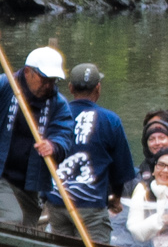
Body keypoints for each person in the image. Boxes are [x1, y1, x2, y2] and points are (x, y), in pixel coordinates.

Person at [0, 27, 77, 227]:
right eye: (44, 79)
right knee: (11, 220)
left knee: (27, 230)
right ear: (28, 72)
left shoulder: (58, 103)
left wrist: (53, 146)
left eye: (53, 81)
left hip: (30, 180)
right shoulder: (5, 85)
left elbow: (64, 136)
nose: (49, 85)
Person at [54, 62, 138, 237]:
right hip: (90, 206)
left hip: (56, 200)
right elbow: (121, 170)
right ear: (98, 88)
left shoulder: (55, 115)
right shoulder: (110, 120)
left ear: (70, 88)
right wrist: (115, 197)